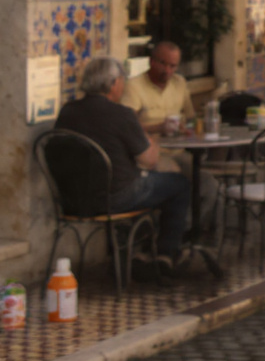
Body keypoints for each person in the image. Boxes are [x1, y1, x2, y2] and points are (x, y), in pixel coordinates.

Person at [56, 57, 191, 270]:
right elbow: (150, 160)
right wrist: (150, 136)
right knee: (178, 184)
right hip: (115, 199)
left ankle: (140, 247)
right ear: (113, 84)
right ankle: (165, 252)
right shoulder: (121, 114)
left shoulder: (67, 111)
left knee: (149, 181)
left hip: (72, 201)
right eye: (121, 80)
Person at [122, 42, 193, 136]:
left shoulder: (180, 83)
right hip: (148, 149)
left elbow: (190, 118)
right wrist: (158, 128)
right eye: (163, 63)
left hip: (178, 148)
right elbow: (126, 126)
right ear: (151, 62)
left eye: (172, 66)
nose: (167, 70)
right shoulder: (134, 86)